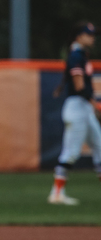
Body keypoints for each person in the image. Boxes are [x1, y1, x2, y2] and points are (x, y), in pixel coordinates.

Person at [48, 21, 101, 205]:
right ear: (79, 36)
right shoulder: (76, 55)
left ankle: (57, 193)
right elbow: (79, 87)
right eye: (89, 34)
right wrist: (95, 103)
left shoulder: (80, 54)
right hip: (77, 108)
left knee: (100, 147)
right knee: (70, 154)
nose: (92, 38)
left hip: (83, 107)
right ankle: (56, 194)